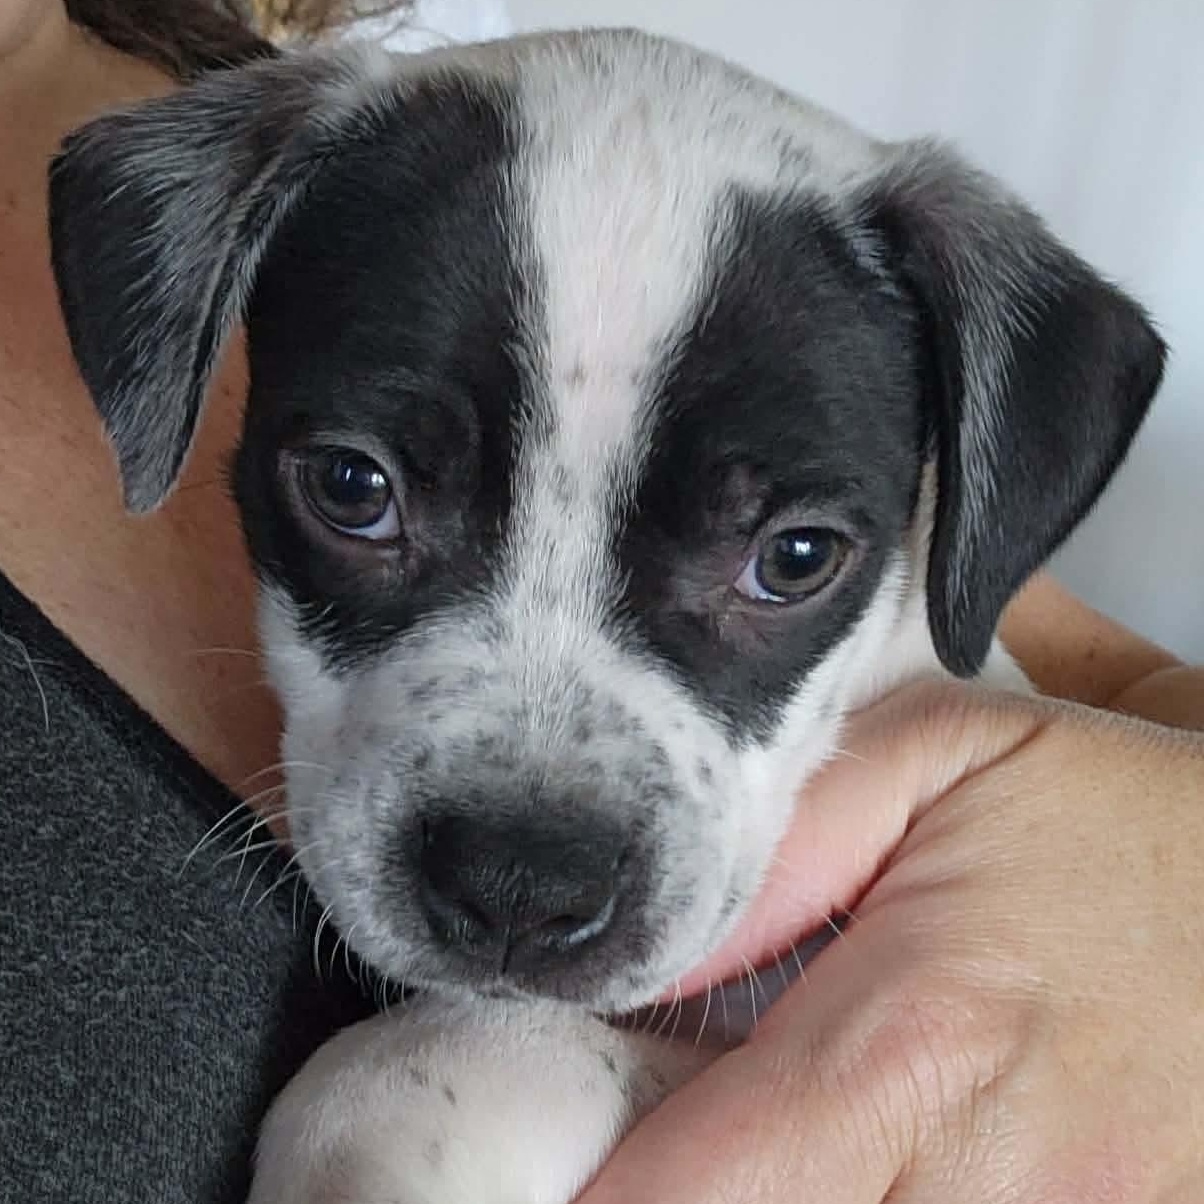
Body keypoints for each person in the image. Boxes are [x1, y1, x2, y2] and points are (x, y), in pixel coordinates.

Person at [0, 2, 1200, 1200]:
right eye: (358, 492)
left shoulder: (950, 764)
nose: (524, 872)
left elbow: (1136, 702)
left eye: (788, 560)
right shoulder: (303, 175)